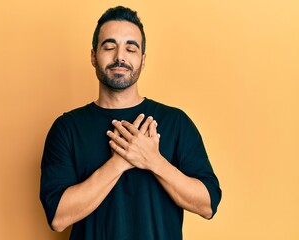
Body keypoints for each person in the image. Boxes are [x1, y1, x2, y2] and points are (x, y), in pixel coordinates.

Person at [40, 6, 221, 240]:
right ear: (93, 56)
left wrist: (153, 161)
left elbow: (207, 205)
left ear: (143, 60)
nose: (120, 57)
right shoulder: (66, 128)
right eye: (109, 46)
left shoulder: (176, 122)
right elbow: (58, 217)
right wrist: (120, 162)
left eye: (130, 48)